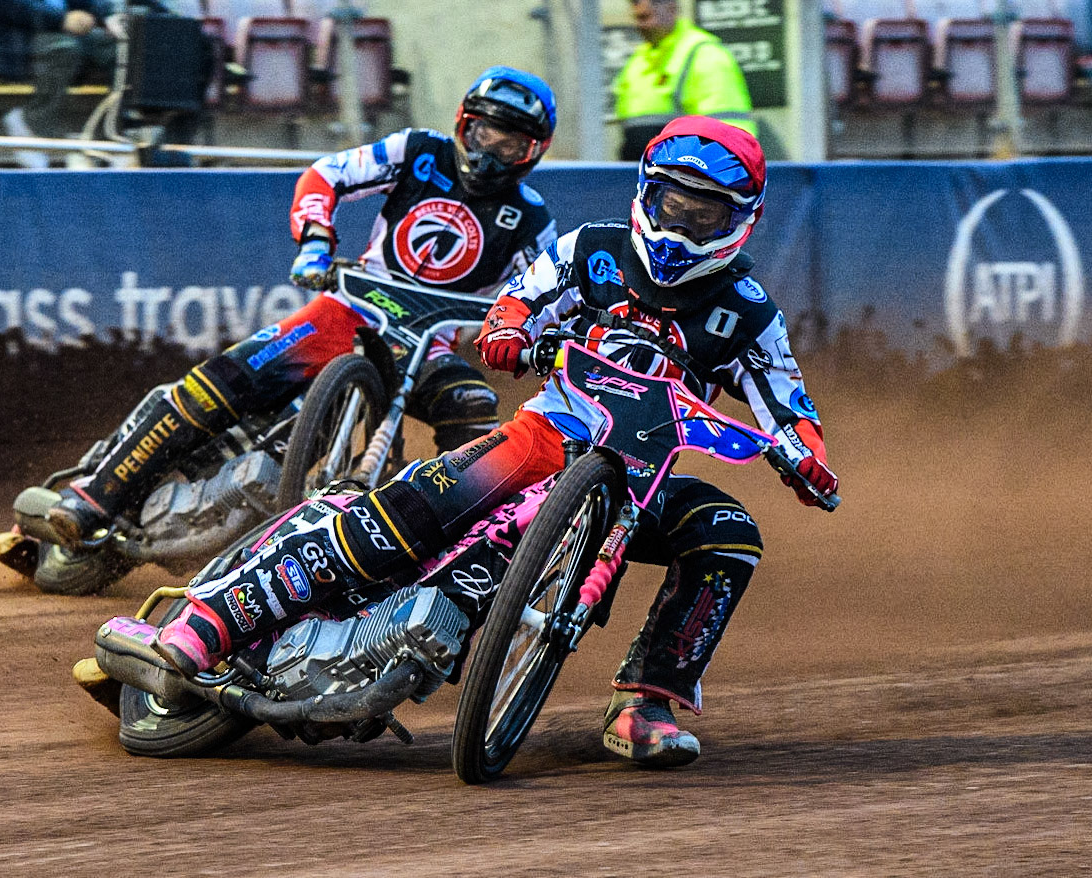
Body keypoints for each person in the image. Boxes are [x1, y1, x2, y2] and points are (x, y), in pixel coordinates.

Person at [148, 116, 839, 769]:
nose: (678, 225)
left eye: (702, 213)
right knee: (399, 516)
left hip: (642, 479)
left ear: (739, 221)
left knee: (727, 532)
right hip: (545, 434)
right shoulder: (590, 249)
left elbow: (789, 405)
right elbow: (520, 299)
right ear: (644, 191)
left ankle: (647, 705)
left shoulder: (750, 316)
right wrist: (508, 330)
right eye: (668, 202)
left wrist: (807, 459)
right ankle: (218, 618)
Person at [33, 66, 559, 549]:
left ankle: (460, 542)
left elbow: (548, 296)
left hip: (428, 344)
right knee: (221, 380)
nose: (489, 152)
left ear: (532, 152)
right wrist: (314, 239)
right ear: (463, 124)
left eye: (509, 143)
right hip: (351, 310)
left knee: (470, 403)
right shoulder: (418, 151)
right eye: (483, 133)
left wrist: (541, 339)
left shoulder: (534, 221)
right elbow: (327, 173)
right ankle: (95, 496)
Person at [0, 0, 135, 168]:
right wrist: (61, 19)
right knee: (63, 49)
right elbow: (11, 7)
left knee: (122, 49)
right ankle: (29, 122)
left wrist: (108, 15)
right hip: (15, 39)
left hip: (61, 32)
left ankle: (113, 136)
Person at [612, 0, 756, 161]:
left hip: (688, 178)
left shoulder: (706, 55)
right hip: (644, 177)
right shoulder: (637, 62)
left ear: (672, 7)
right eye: (638, 16)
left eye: (647, 16)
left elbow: (730, 136)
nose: (643, 25)